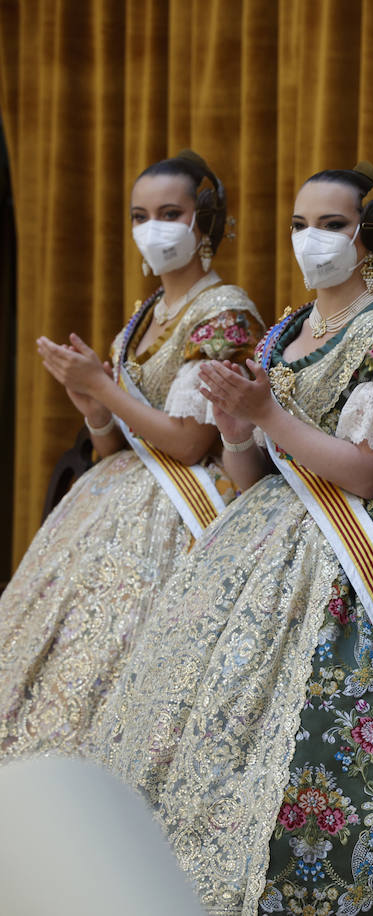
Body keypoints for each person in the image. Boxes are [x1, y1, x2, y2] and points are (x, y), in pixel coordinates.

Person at [96, 163, 373, 915]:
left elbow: (367, 475)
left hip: (370, 555)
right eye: (299, 225)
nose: (311, 241)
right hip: (273, 535)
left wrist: (270, 415)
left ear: (372, 236)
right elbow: (248, 477)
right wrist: (237, 425)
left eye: (332, 226)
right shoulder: (286, 329)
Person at [0, 151, 261, 758]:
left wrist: (103, 387)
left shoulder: (224, 313)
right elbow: (113, 443)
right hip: (117, 492)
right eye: (141, 215)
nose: (153, 228)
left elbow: (192, 441)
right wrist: (92, 405)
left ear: (206, 223)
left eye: (170, 213)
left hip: (183, 508)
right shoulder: (144, 316)